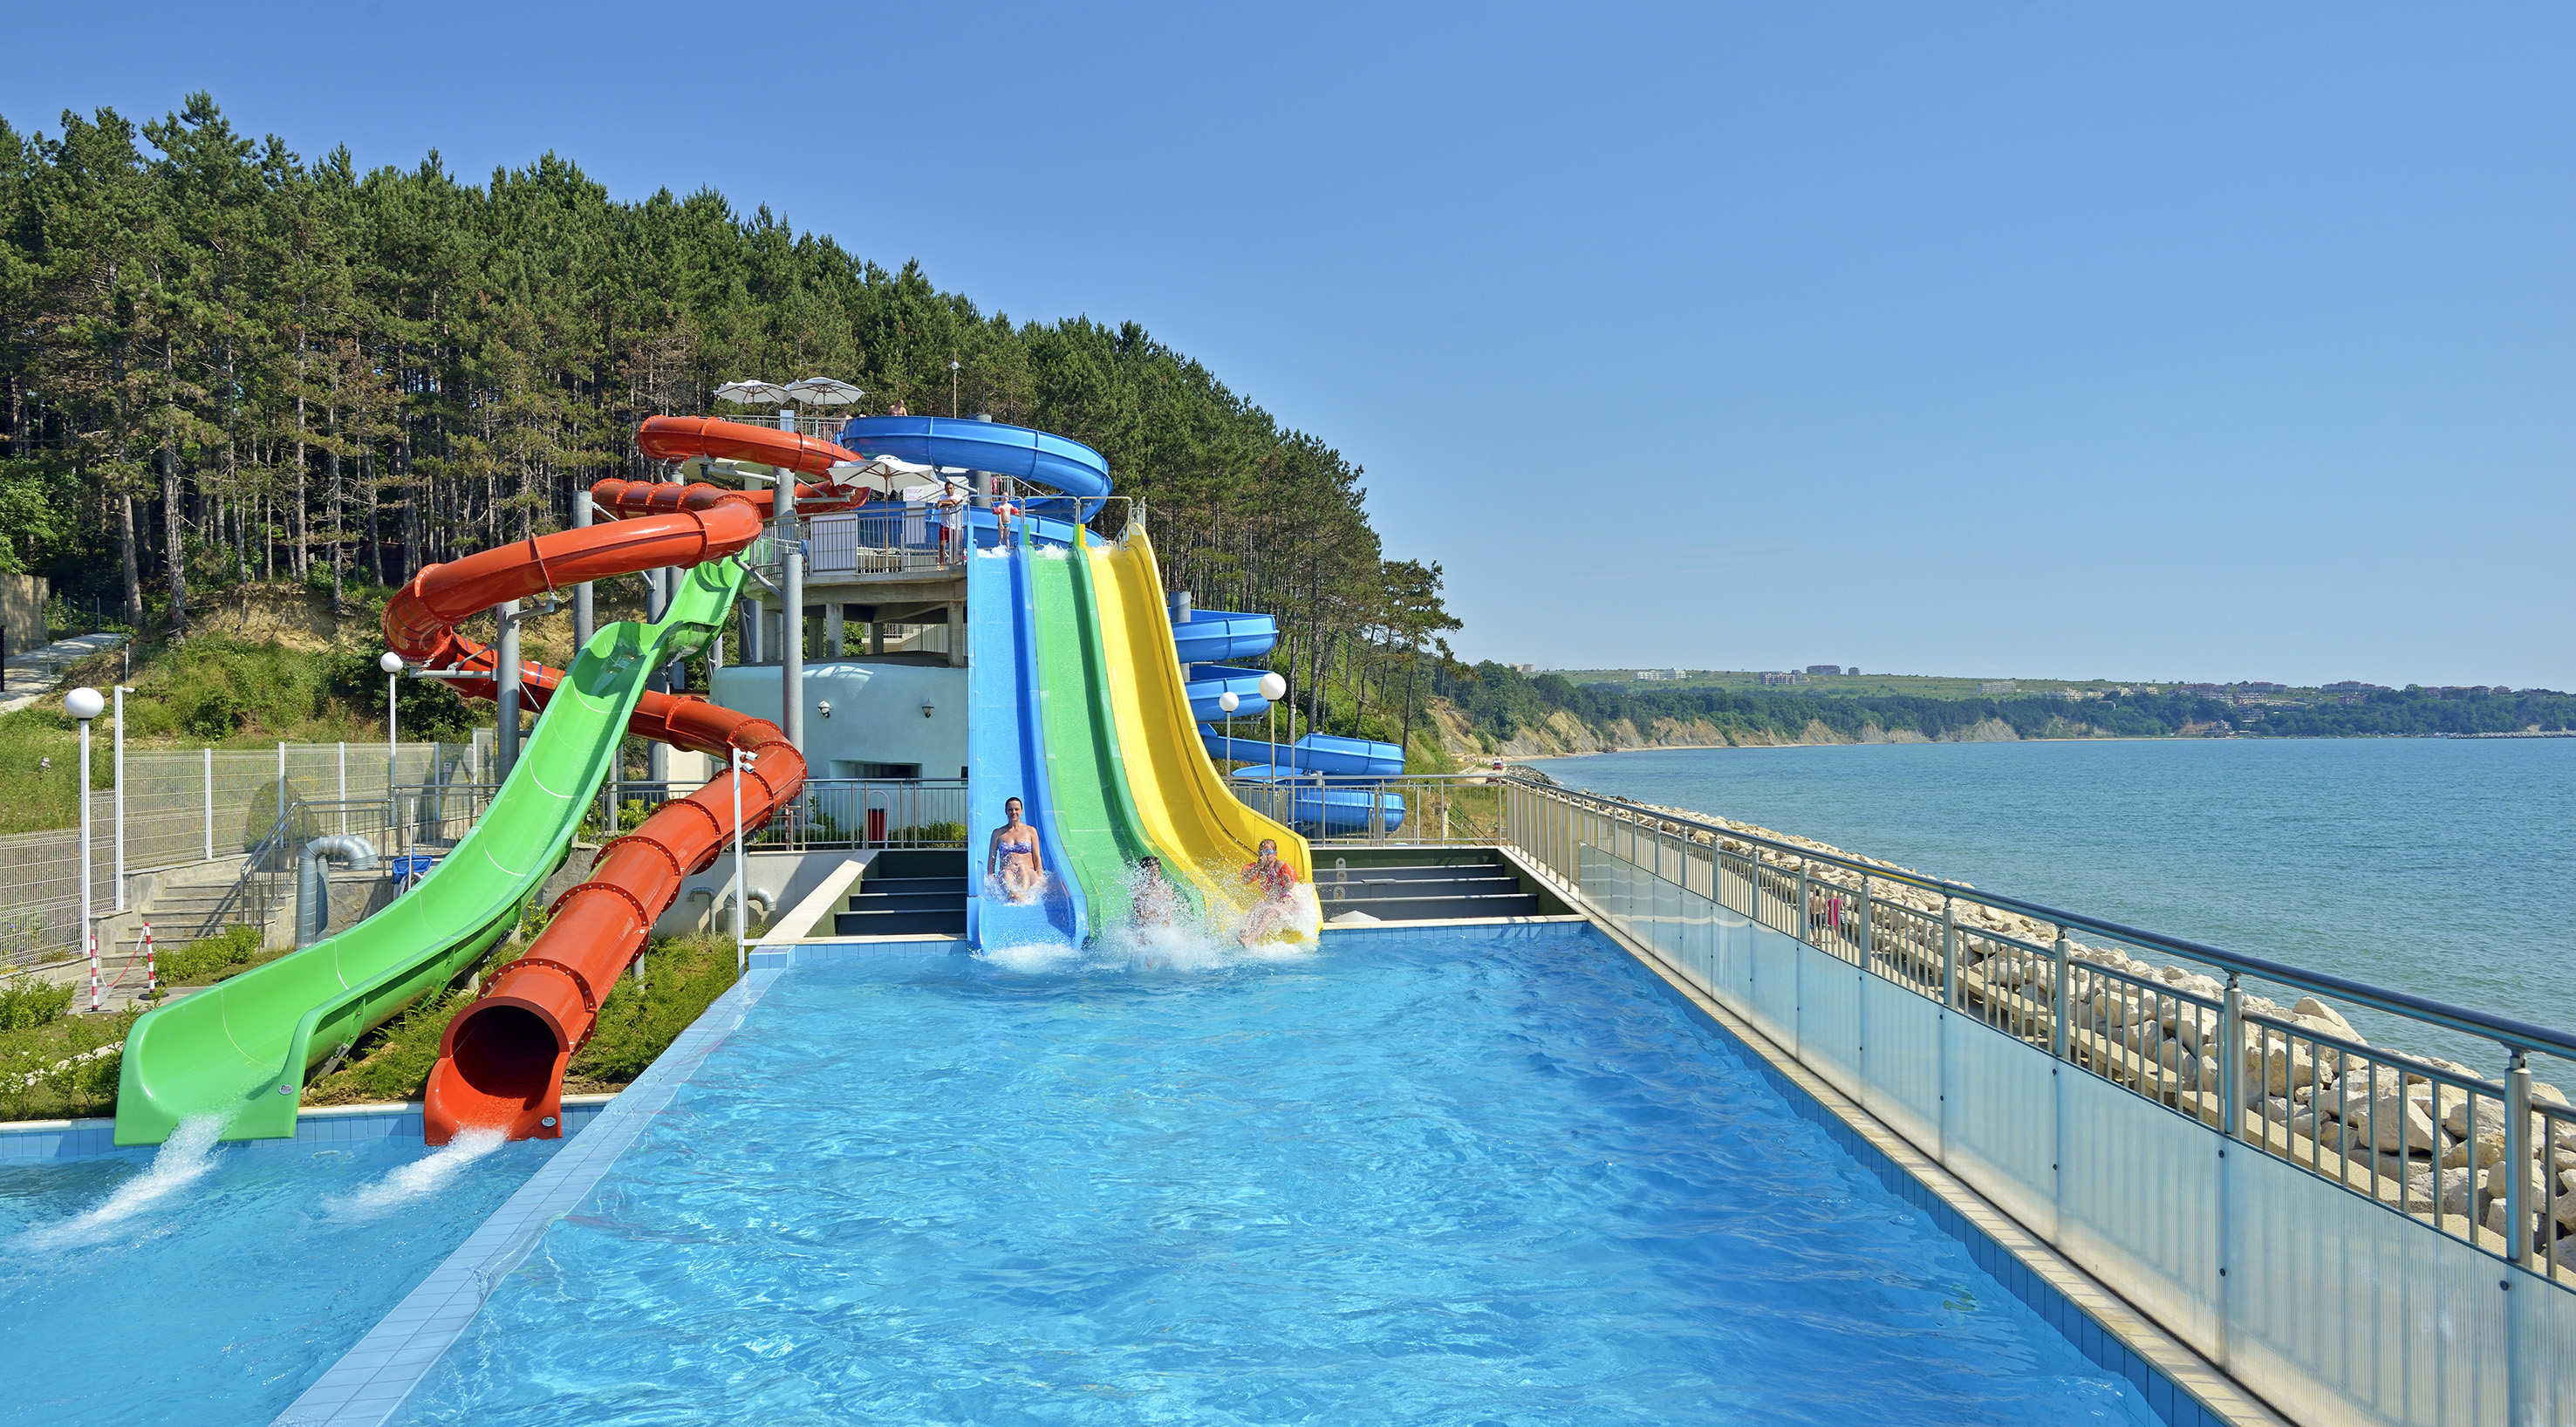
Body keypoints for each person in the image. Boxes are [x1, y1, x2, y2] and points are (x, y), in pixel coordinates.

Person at [1236, 837, 1302, 946]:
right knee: (1259, 903)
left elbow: (1290, 885)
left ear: (1275, 854)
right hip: (1274, 903)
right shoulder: (1259, 869)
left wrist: (1287, 881)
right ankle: (1245, 931)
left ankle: (1249, 939)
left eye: (1267, 852)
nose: (1264, 855)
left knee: (1270, 911)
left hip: (1288, 905)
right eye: (1261, 853)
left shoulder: (1278, 865)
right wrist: (1258, 866)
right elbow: (1244, 880)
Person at [986, 796, 1044, 903]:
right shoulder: (998, 833)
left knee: (1022, 868)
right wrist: (991, 877)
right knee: (1006, 872)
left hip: (1028, 872)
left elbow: (1037, 857)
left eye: (1016, 809)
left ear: (1021, 811)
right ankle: (1012, 893)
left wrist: (1040, 875)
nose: (1013, 812)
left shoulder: (1031, 831)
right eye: (1010, 810)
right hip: (1008, 873)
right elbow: (992, 859)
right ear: (1006, 811)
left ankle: (1022, 894)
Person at [1133, 855, 1176, 927]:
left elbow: (1167, 919)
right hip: (1143, 927)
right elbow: (1140, 918)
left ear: (1159, 872)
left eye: (1155, 874)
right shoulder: (1138, 891)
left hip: (1159, 927)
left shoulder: (1165, 890)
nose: (1152, 878)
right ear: (1142, 874)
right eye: (1149, 874)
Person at [934, 480, 967, 565]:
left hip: (956, 525)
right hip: (944, 524)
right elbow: (939, 504)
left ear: (954, 488)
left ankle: (953, 562)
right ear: (945, 489)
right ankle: (941, 564)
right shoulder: (942, 497)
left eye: (951, 488)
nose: (949, 490)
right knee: (942, 545)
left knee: (954, 545)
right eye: (947, 489)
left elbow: (955, 503)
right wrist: (943, 503)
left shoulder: (958, 496)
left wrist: (943, 503)